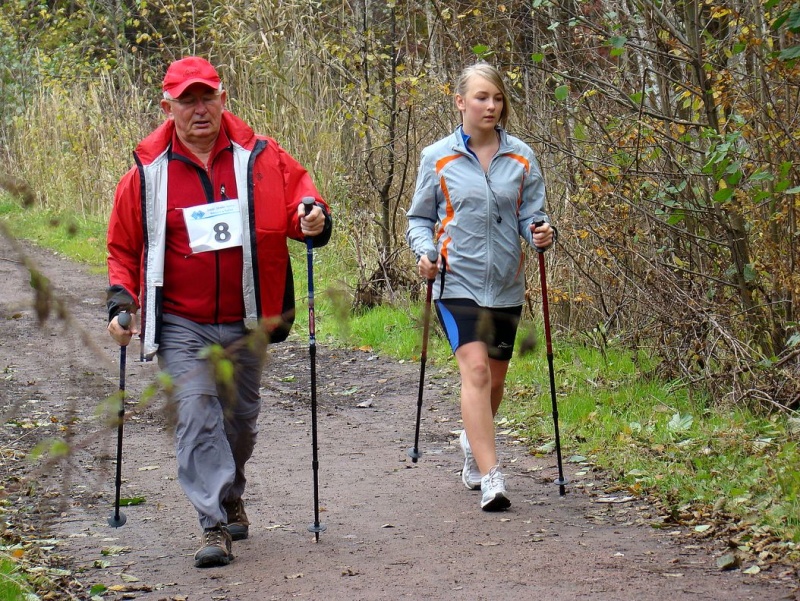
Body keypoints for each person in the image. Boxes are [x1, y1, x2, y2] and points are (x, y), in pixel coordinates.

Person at [105, 56, 332, 567]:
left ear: (223, 99)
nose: (199, 108)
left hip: (246, 317)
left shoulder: (260, 157)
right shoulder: (146, 174)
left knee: (240, 422)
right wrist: (122, 300)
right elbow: (122, 248)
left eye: (207, 96)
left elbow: (303, 200)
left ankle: (230, 493)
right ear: (168, 107)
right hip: (182, 320)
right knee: (195, 412)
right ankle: (211, 525)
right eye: (187, 100)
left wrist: (313, 216)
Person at [406, 62, 554, 511]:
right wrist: (425, 252)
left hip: (506, 284)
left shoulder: (522, 157)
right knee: (475, 372)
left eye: (498, 98)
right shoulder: (438, 156)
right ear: (460, 102)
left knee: (495, 381)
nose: (491, 106)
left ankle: (473, 442)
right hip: (456, 281)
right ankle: (492, 476)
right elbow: (419, 218)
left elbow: (532, 216)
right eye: (482, 97)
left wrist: (542, 232)